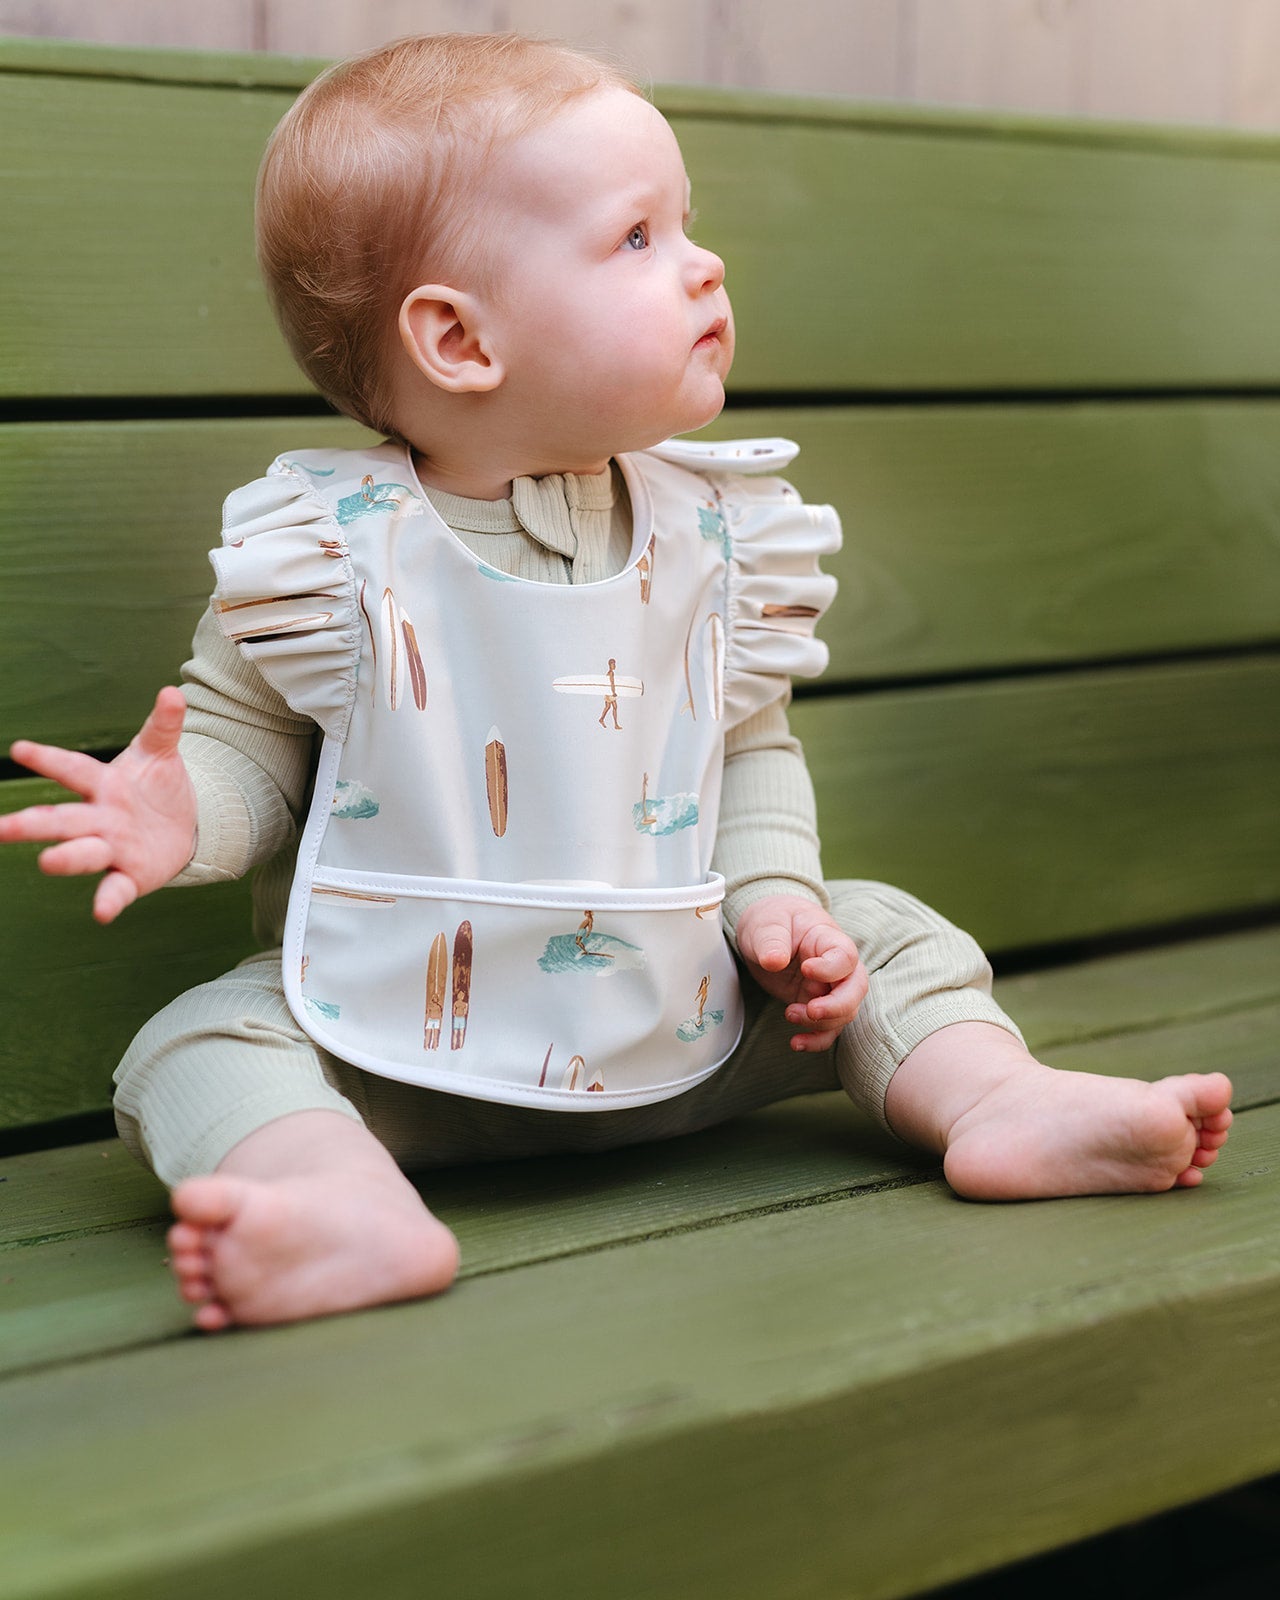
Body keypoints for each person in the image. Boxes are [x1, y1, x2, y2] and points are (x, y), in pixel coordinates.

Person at [0, 34, 1232, 1332]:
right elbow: (249, 751)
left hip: (683, 1016)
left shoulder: (722, 536)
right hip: (399, 1040)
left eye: (686, 223)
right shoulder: (327, 552)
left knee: (885, 929)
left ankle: (996, 1102)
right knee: (200, 1041)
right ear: (459, 339)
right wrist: (184, 812)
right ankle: (337, 1201)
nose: (703, 262)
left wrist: (776, 908)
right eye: (637, 237)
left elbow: (748, 750)